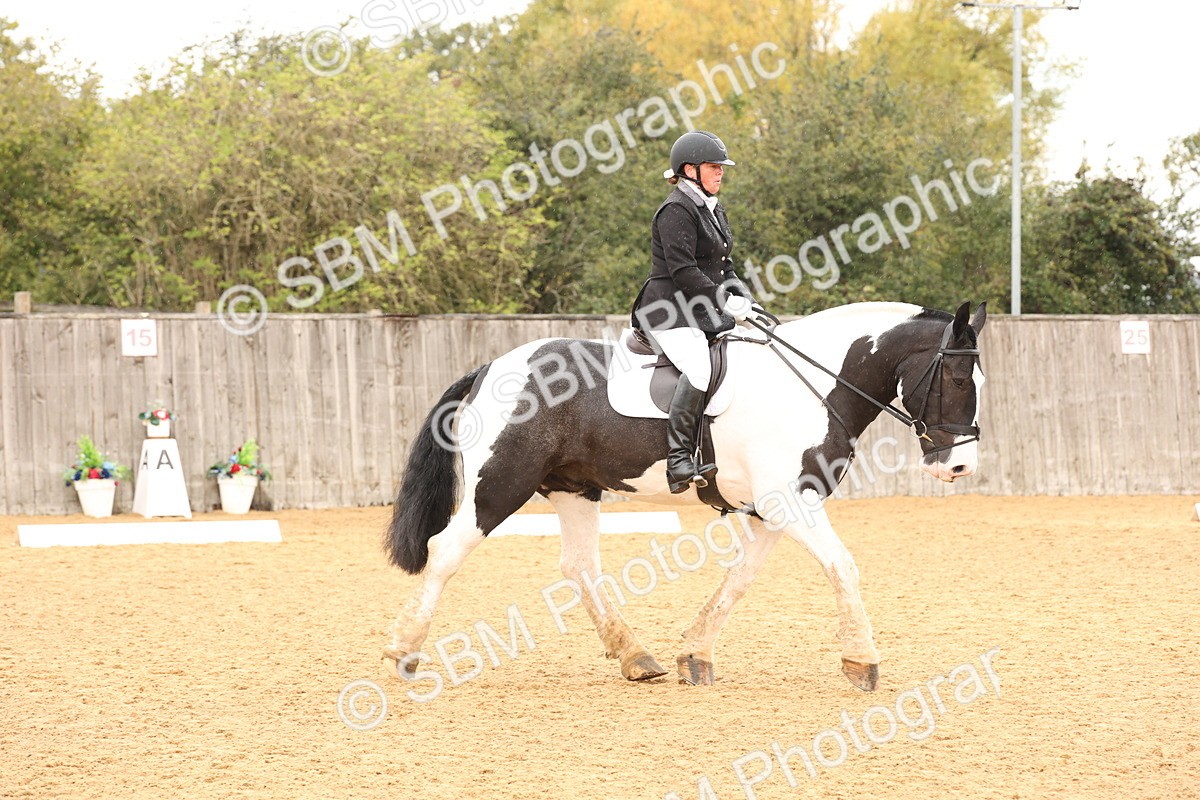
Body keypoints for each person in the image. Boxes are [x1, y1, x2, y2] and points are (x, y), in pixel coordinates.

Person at [630, 130, 769, 494]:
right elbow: (684, 271)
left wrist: (747, 301)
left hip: (701, 308)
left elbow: (725, 266)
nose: (720, 173)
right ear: (689, 170)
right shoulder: (676, 210)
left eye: (721, 167)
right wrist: (725, 299)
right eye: (713, 167)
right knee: (699, 366)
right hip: (669, 310)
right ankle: (678, 461)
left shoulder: (711, 207)